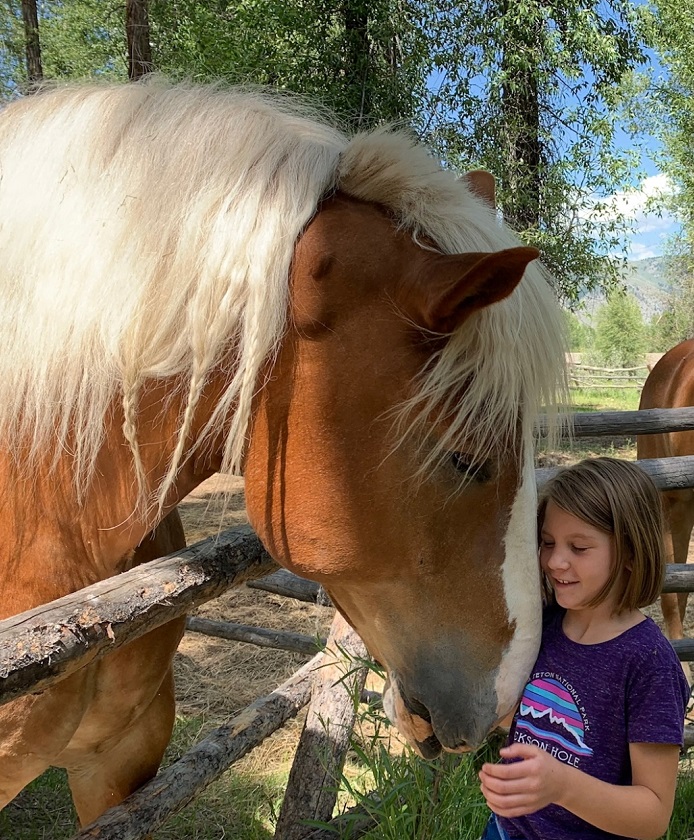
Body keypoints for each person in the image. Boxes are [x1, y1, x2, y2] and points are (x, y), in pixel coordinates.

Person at [479, 457, 690, 840]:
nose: (555, 561)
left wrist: (562, 786)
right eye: (547, 542)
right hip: (505, 830)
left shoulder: (649, 663)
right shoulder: (543, 624)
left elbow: (654, 814)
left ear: (629, 553)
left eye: (578, 547)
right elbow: (529, 721)